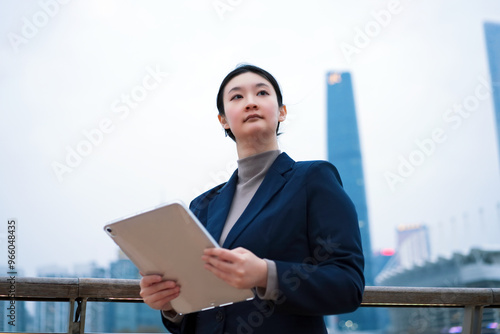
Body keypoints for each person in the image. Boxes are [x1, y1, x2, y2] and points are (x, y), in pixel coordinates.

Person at [140, 64, 365, 334]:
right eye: (237, 97)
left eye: (261, 93)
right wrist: (171, 305)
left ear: (281, 112)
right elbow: (202, 312)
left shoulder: (313, 179)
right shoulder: (203, 205)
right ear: (223, 120)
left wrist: (265, 274)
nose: (250, 103)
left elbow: (348, 285)